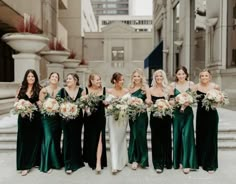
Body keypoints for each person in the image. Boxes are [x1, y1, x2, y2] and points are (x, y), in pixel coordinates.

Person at [170, 66, 198, 174]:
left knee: (187, 136)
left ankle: (187, 163)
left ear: (186, 74)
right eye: (179, 74)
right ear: (176, 75)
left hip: (188, 113)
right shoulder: (173, 85)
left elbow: (195, 98)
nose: (181, 76)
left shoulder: (191, 84)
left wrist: (188, 101)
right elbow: (170, 100)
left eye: (183, 74)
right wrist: (176, 101)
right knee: (177, 136)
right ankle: (178, 161)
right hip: (177, 113)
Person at [16, 69, 42, 176]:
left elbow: (41, 104)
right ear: (26, 78)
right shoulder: (21, 89)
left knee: (35, 139)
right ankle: (24, 165)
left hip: (35, 118)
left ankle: (35, 162)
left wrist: (32, 105)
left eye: (33, 76)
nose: (31, 78)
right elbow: (16, 103)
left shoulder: (39, 89)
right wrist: (21, 105)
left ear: (35, 78)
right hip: (23, 118)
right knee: (24, 140)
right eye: (29, 76)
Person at [57, 73, 84, 174]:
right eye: (67, 79)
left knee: (76, 139)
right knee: (67, 139)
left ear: (75, 80)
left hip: (78, 119)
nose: (67, 80)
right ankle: (68, 163)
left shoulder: (81, 91)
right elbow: (58, 103)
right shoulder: (62, 91)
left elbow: (83, 103)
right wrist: (65, 109)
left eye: (69, 79)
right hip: (65, 119)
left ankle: (77, 160)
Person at [195, 69, 220, 173]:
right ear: (199, 77)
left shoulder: (215, 86)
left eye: (206, 75)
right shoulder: (195, 87)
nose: (204, 77)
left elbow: (219, 101)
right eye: (202, 76)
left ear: (210, 77)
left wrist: (215, 101)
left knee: (211, 138)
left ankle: (210, 164)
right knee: (201, 136)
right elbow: (189, 97)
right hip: (201, 115)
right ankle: (200, 160)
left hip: (212, 114)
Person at [82, 73, 107, 174]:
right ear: (91, 81)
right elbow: (82, 105)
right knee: (91, 139)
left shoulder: (103, 90)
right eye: (97, 80)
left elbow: (107, 104)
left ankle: (98, 162)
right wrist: (86, 106)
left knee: (100, 138)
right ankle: (91, 158)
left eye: (100, 80)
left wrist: (107, 103)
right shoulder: (86, 90)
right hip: (89, 118)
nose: (99, 81)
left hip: (100, 118)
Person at [105, 72, 129, 174]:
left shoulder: (126, 90)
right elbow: (106, 104)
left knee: (122, 138)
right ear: (115, 81)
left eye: (123, 79)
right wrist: (106, 103)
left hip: (123, 118)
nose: (122, 82)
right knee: (113, 139)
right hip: (112, 118)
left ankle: (123, 160)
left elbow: (129, 103)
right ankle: (114, 165)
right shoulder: (109, 91)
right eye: (120, 80)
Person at [39, 72, 63, 173]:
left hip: (57, 119)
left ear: (58, 80)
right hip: (46, 118)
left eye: (56, 77)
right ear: (49, 78)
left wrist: (57, 108)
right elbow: (40, 103)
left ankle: (56, 162)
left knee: (56, 139)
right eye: (52, 76)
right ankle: (47, 165)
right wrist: (47, 107)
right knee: (48, 139)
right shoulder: (44, 90)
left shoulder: (61, 90)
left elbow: (63, 103)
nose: (54, 78)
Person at [149, 70, 172, 173]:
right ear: (154, 78)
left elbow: (172, 101)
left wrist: (167, 103)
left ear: (164, 78)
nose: (158, 78)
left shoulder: (169, 89)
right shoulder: (150, 89)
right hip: (155, 117)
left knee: (166, 138)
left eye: (160, 76)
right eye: (156, 76)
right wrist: (152, 104)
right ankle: (158, 163)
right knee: (156, 139)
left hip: (166, 116)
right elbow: (148, 103)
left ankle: (167, 161)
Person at [128, 68, 151, 170]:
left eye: (138, 76)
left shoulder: (145, 87)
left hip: (142, 115)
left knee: (141, 136)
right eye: (134, 76)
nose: (136, 78)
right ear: (132, 78)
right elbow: (126, 100)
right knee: (134, 135)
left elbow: (149, 100)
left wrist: (145, 102)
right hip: (132, 115)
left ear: (141, 77)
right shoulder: (130, 88)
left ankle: (143, 160)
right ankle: (134, 160)